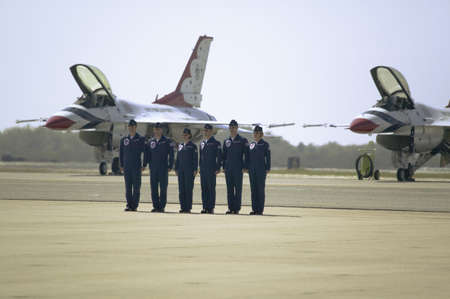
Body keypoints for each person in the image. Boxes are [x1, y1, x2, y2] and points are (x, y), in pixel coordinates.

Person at [143, 122, 175, 212]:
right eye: (155, 129)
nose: (157, 131)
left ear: (162, 130)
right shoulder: (150, 142)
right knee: (153, 188)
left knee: (163, 188)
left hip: (163, 168)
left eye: (159, 129)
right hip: (153, 168)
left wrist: (170, 165)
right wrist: (145, 164)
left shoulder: (167, 141)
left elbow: (171, 154)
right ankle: (155, 206)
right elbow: (147, 154)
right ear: (154, 130)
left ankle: (162, 206)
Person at [222, 120, 249, 214]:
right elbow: (224, 155)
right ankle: (230, 208)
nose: (232, 129)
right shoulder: (226, 141)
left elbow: (247, 155)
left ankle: (236, 208)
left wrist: (245, 166)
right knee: (229, 189)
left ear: (237, 128)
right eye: (231, 127)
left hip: (238, 168)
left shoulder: (242, 140)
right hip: (228, 169)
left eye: (234, 127)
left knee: (238, 189)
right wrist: (223, 167)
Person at [119, 119, 146, 211]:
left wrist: (144, 164)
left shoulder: (140, 139)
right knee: (128, 187)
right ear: (128, 127)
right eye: (130, 126)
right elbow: (121, 153)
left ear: (136, 127)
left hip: (136, 166)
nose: (131, 128)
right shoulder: (124, 139)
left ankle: (134, 205)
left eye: (133, 127)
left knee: (136, 187)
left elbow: (145, 152)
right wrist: (121, 165)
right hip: (127, 167)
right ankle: (129, 204)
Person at [248, 125, 271, 215]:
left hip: (261, 170)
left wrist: (268, 168)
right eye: (255, 132)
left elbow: (268, 157)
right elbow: (248, 157)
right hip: (252, 170)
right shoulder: (251, 144)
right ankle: (254, 209)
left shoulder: (265, 144)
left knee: (260, 190)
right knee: (253, 190)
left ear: (261, 134)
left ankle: (260, 209)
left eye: (258, 133)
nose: (256, 134)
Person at [199, 124, 222, 214]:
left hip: (211, 169)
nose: (206, 132)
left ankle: (211, 207)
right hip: (203, 170)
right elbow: (201, 157)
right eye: (205, 130)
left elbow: (219, 157)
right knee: (204, 189)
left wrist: (218, 167)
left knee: (211, 189)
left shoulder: (216, 143)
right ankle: (205, 207)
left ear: (211, 132)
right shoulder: (202, 143)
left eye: (208, 130)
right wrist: (200, 167)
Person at [175, 128, 198, 213]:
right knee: (181, 189)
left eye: (186, 134)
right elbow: (178, 158)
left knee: (188, 189)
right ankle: (183, 207)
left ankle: (188, 207)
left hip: (189, 170)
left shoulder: (193, 146)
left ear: (189, 135)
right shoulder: (180, 146)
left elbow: (195, 159)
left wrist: (195, 169)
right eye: (184, 134)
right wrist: (176, 168)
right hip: (181, 170)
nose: (185, 136)